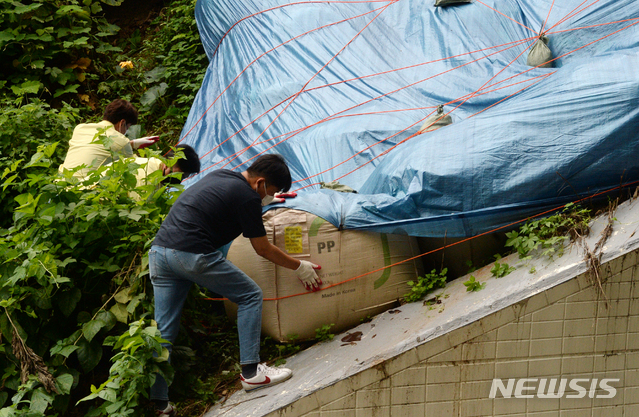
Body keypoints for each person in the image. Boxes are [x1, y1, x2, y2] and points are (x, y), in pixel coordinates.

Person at [148, 154, 322, 417]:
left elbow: (225, 203)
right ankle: (252, 372)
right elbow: (262, 249)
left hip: (160, 254)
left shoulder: (222, 175)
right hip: (192, 255)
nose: (268, 196)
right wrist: (300, 266)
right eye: (271, 191)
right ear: (261, 182)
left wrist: (267, 201)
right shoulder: (248, 198)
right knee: (250, 295)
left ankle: (160, 405)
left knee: (163, 334)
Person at [58, 99, 158, 179]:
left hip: (62, 182)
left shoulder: (80, 128)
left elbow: (99, 147)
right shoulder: (121, 141)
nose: (126, 131)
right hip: (84, 190)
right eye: (128, 127)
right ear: (122, 123)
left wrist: (133, 143)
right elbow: (136, 166)